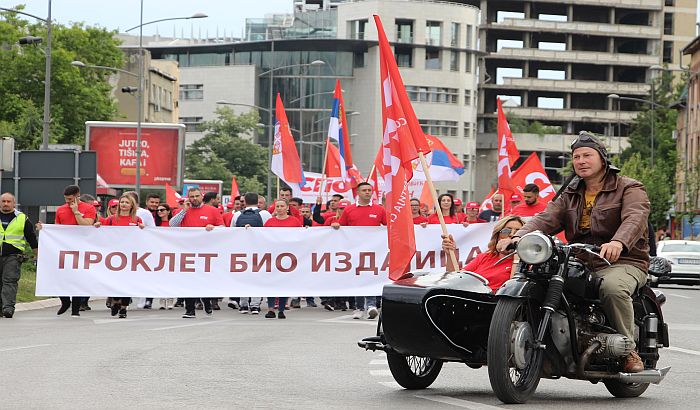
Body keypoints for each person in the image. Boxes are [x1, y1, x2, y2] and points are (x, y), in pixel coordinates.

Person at [496, 132, 650, 373]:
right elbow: (545, 219)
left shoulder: (629, 188)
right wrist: (517, 236)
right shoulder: (570, 192)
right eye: (576, 156)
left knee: (612, 288)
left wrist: (618, 242)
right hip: (580, 259)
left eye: (587, 155)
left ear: (603, 159)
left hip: (623, 260)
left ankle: (628, 350)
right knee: (538, 278)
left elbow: (635, 218)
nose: (581, 161)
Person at [332, 182, 386, 320]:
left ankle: (371, 306)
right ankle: (359, 307)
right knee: (358, 277)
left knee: (370, 276)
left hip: (373, 250)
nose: (367, 192)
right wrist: (336, 225)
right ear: (358, 193)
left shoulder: (379, 209)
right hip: (354, 250)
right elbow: (341, 227)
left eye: (369, 190)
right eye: (364, 190)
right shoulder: (349, 210)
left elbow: (388, 226)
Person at [169, 187, 224, 318]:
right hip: (187, 251)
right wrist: (184, 211)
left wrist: (214, 228)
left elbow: (223, 228)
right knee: (189, 281)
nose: (194, 199)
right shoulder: (182, 211)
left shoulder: (212, 210)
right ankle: (190, 310)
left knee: (204, 280)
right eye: (191, 196)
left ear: (202, 196)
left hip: (206, 252)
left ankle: (206, 302)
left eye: (196, 196)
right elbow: (172, 225)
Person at [442, 215, 524, 291]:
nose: (512, 234)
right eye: (507, 230)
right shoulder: (484, 257)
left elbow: (513, 290)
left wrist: (517, 251)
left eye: (518, 232)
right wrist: (450, 254)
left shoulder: (524, 264)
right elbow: (455, 279)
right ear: (497, 235)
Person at [95, 194, 144, 318]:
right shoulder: (111, 219)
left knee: (127, 283)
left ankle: (124, 308)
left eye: (127, 202)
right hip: (114, 256)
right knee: (115, 281)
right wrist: (98, 226)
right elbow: (102, 233)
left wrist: (143, 229)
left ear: (132, 205)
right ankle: (116, 301)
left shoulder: (137, 219)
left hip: (131, 256)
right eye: (122, 202)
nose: (124, 204)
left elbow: (143, 237)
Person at [53, 185, 96, 317]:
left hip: (82, 248)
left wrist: (76, 211)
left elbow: (87, 226)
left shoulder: (89, 208)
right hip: (65, 247)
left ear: (78, 196)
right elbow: (57, 229)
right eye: (66, 199)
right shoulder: (60, 210)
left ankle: (76, 309)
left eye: (70, 199)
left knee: (78, 278)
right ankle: (65, 301)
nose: (68, 202)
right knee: (60, 276)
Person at [0, 193, 38, 318]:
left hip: (13, 255)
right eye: (3, 201)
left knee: (9, 281)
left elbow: (31, 238)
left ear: (14, 203)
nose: (6, 204)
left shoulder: (22, 218)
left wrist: (37, 254)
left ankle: (8, 308)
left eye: (8, 201)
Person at [262, 199, 302, 319]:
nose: (279, 208)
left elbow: (301, 236)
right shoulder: (270, 221)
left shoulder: (294, 221)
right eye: (277, 206)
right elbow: (261, 236)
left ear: (287, 208)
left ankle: (281, 309)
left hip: (288, 256)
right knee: (272, 283)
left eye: (281, 206)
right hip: (272, 255)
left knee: (284, 283)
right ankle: (271, 309)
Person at [233, 192, 272, 314]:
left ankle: (243, 304)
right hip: (260, 249)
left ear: (245, 202)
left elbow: (231, 231)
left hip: (242, 250)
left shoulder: (237, 214)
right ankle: (255, 305)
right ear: (257, 201)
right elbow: (271, 229)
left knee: (243, 276)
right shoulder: (265, 214)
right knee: (258, 277)